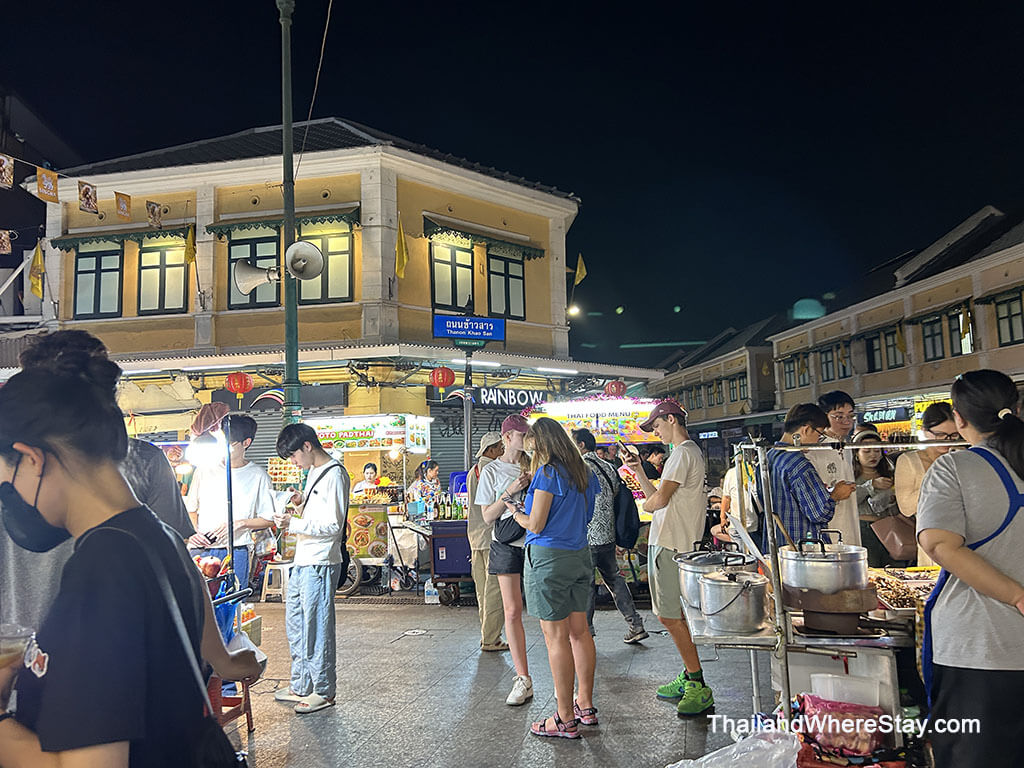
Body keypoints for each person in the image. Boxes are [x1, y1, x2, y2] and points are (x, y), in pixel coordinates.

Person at [0, 336, 259, 767]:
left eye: (5, 483)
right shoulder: (158, 537)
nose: (9, 500)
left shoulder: (101, 572)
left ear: (32, 459)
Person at [918, 370, 1024, 768]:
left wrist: (1016, 595)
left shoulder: (955, 469)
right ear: (1014, 409)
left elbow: (940, 544)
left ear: (958, 418)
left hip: (979, 648)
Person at [506, 417, 600, 739]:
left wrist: (514, 509)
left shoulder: (548, 473)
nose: (531, 454)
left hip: (549, 560)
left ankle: (563, 718)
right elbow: (584, 516)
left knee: (556, 637)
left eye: (533, 448)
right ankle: (584, 706)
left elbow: (535, 524)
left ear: (542, 444)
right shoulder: (585, 472)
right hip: (579, 555)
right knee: (579, 632)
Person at [622, 399, 715, 717]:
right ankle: (691, 674)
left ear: (672, 419)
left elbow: (656, 502)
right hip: (674, 541)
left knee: (669, 616)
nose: (656, 432)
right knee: (674, 615)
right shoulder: (689, 454)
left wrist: (645, 507)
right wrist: (638, 471)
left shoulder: (682, 453)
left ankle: (697, 682)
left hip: (671, 544)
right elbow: (658, 496)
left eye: (658, 425)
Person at [272, 423, 349, 714]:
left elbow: (333, 525)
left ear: (307, 446)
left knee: (316, 627)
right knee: (296, 623)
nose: (293, 462)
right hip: (302, 558)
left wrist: (294, 523)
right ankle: (301, 683)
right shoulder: (315, 472)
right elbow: (319, 513)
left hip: (320, 561)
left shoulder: (336, 474)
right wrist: (301, 503)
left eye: (293, 456)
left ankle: (323, 689)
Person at [476, 415, 533, 704]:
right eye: (523, 435)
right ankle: (522, 678)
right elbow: (487, 516)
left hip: (536, 540)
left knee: (545, 612)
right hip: (506, 543)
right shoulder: (491, 470)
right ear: (508, 437)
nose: (527, 440)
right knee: (512, 611)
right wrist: (510, 491)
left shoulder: (535, 464)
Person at [572, 428, 647, 643]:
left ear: (582, 445)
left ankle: (586, 632)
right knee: (614, 579)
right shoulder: (608, 467)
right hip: (607, 536)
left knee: (585, 585)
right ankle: (636, 624)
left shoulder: (578, 468)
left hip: (586, 536)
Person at [185, 414, 275, 591]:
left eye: (230, 444)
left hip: (236, 549)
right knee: (198, 601)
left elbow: (269, 518)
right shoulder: (204, 470)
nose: (224, 448)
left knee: (232, 602)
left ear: (246, 443)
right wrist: (194, 532)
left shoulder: (258, 476)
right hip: (201, 548)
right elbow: (191, 509)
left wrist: (239, 524)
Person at [766, 404, 856, 547]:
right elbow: (819, 513)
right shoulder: (800, 464)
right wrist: (836, 495)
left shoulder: (769, 457)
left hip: (777, 544)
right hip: (804, 548)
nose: (817, 442)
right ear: (806, 429)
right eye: (819, 435)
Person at [895, 402, 959, 567]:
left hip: (962, 536)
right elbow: (906, 508)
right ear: (925, 431)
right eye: (940, 435)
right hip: (930, 538)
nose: (947, 441)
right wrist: (939, 482)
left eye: (953, 435)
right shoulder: (909, 461)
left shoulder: (960, 457)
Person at [466, 431, 507, 652]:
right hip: (491, 537)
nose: (502, 451)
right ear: (490, 450)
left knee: (482, 592)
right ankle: (491, 638)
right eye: (500, 447)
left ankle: (487, 635)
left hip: (475, 538)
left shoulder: (474, 471)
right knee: (494, 591)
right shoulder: (491, 469)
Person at [806, 391, 861, 546]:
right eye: (839, 416)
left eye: (850, 416)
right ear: (824, 417)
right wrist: (833, 493)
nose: (847, 422)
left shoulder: (847, 446)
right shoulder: (814, 448)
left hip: (850, 519)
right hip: (828, 527)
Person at [851, 430, 900, 567]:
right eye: (866, 451)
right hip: (864, 530)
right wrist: (871, 485)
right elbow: (849, 500)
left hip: (890, 528)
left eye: (877, 451)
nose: (873, 455)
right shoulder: (849, 475)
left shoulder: (890, 473)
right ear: (856, 453)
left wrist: (892, 499)